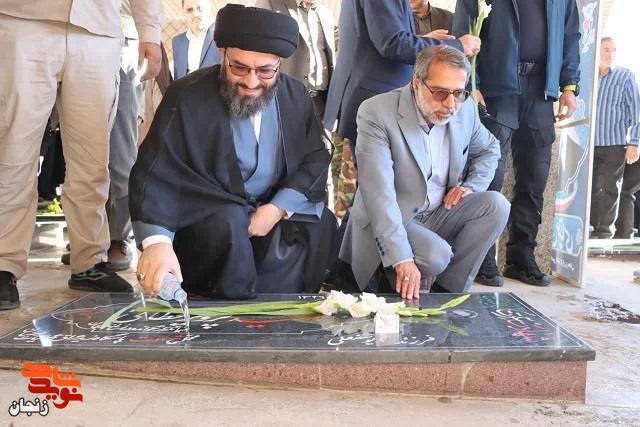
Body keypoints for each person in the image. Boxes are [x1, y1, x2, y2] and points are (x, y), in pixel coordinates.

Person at [130, 4, 337, 300]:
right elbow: (157, 172)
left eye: (265, 71)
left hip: (268, 212)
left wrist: (276, 209)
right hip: (210, 222)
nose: (251, 82)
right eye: (239, 67)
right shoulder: (187, 96)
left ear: (279, 64)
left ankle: (275, 309)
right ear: (222, 54)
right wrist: (157, 243)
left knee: (317, 224)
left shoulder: (295, 96)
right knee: (228, 221)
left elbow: (313, 157)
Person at [0, 0, 163, 311]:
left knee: (93, 157)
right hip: (23, 19)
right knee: (13, 152)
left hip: (98, 29)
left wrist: (150, 32)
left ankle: (90, 262)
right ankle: (3, 264)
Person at [339, 45, 509, 298]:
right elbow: (379, 195)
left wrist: (471, 186)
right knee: (435, 255)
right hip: (393, 216)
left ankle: (447, 294)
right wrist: (402, 258)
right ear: (416, 83)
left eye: (458, 93)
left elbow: (490, 149)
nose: (450, 104)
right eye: (440, 93)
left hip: (439, 211)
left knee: (496, 205)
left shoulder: (465, 110)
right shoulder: (376, 112)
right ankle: (387, 272)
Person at [454, 0, 581, 287]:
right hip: (496, 91)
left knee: (535, 179)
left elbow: (571, 36)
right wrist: (471, 84)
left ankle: (521, 258)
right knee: (490, 176)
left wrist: (569, 86)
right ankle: (482, 258)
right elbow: (464, 30)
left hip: (541, 92)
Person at [590, 37, 640, 239]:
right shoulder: (587, 76)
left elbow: (636, 112)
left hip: (615, 143)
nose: (610, 54)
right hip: (588, 144)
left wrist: (634, 142)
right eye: (606, 49)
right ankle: (590, 228)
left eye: (613, 50)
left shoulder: (625, 76)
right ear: (597, 51)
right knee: (590, 189)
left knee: (610, 189)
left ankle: (603, 232)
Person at [254, 0, 336, 120]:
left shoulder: (325, 13)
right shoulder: (270, 4)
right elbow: (257, 54)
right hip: (284, 101)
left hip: (320, 103)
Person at [172, 0, 220, 80]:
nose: (195, 14)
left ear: (209, 7)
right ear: (184, 12)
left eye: (200, 8)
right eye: (189, 10)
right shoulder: (177, 42)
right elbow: (177, 79)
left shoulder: (221, 36)